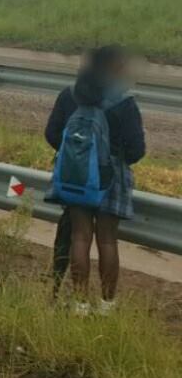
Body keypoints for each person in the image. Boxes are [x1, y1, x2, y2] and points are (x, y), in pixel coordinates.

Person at [44, 45, 145, 314]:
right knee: (107, 240)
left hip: (78, 176)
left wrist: (78, 157)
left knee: (80, 236)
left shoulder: (70, 95)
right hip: (112, 177)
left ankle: (79, 303)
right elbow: (137, 150)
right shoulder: (124, 102)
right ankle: (107, 305)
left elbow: (52, 134)